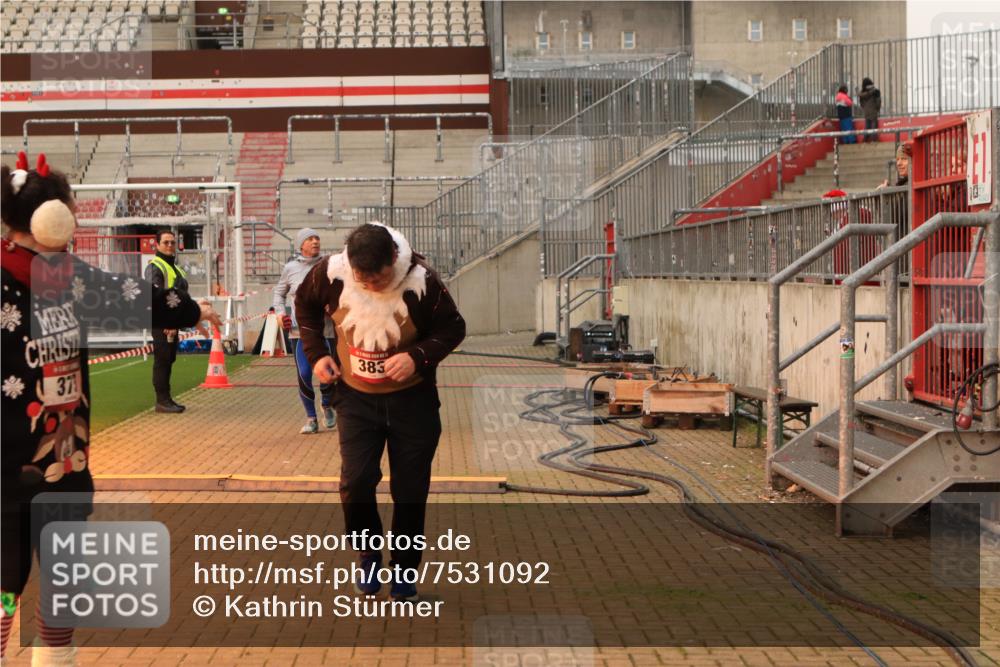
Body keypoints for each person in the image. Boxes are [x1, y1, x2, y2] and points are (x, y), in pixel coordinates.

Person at [1, 153, 220, 665]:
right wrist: (195, 310)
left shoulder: (70, 276)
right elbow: (141, 297)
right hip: (47, 465)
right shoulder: (69, 275)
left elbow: (137, 296)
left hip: (57, 461)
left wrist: (190, 308)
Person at [295, 222, 465, 602]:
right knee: (355, 483)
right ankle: (368, 554)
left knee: (409, 492)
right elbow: (303, 307)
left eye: (379, 277)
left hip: (413, 404)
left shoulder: (423, 282)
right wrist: (318, 354)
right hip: (355, 400)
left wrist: (418, 357)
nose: (370, 284)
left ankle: (404, 569)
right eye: (363, 277)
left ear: (394, 260)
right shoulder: (329, 273)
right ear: (349, 264)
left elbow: (453, 329)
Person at [272, 228, 336, 434]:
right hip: (299, 332)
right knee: (305, 374)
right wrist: (281, 315)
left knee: (328, 374)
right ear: (301, 245)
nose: (315, 241)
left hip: (326, 331)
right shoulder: (290, 268)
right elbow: (278, 294)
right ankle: (311, 418)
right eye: (310, 239)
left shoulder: (329, 265)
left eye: (317, 238)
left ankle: (326, 404)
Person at [143, 229, 190, 413]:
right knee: (162, 360)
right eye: (166, 242)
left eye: (172, 242)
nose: (170, 245)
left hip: (173, 322)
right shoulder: (156, 266)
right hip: (162, 323)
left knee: (169, 359)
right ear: (157, 245)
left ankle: (167, 399)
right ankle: (162, 401)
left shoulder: (176, 268)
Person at [858, 77, 881, 143]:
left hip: (866, 111)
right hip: (873, 109)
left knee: (867, 125)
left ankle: (865, 139)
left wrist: (864, 108)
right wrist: (877, 108)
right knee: (874, 125)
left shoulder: (862, 92)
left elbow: (861, 103)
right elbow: (878, 101)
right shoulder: (875, 91)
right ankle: (874, 140)